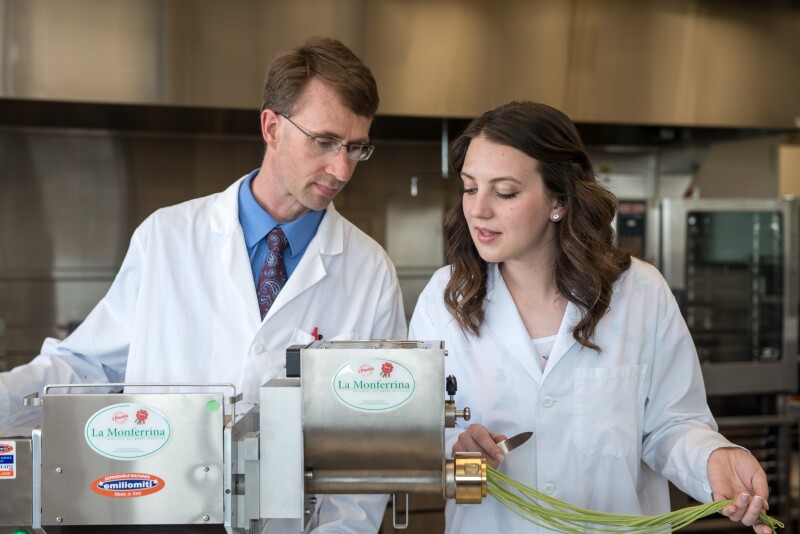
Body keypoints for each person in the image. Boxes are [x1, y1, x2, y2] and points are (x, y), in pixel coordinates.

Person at [0, 36, 404, 532]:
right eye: (324, 142)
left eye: (356, 148)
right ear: (272, 127)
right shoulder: (167, 237)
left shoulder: (369, 271)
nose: (342, 169)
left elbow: (367, 444)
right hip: (155, 512)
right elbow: (84, 367)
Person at [408, 101, 772, 534]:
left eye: (504, 192)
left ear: (558, 200)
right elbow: (417, 432)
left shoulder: (639, 292)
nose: (478, 209)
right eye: (470, 188)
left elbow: (673, 426)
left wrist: (712, 456)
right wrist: (455, 448)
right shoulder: (443, 299)